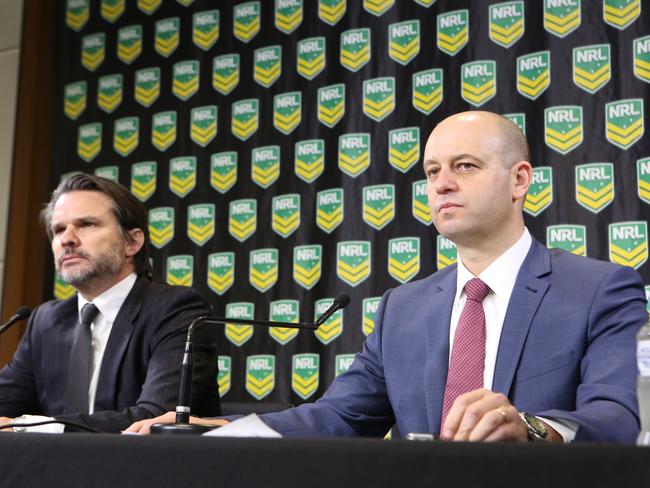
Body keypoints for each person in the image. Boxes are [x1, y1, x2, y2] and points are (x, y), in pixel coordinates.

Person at [127, 111, 647, 443]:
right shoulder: (405, 307)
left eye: (464, 166)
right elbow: (342, 416)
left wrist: (533, 430)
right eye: (431, 171)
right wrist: (231, 429)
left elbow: (616, 417)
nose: (442, 184)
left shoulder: (598, 289)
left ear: (519, 180)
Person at [0, 174, 220, 432]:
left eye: (87, 224)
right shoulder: (45, 320)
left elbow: (154, 419)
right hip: (49, 469)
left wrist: (26, 427)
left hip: (141, 468)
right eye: (58, 229)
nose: (67, 239)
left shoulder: (176, 309)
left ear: (132, 242)